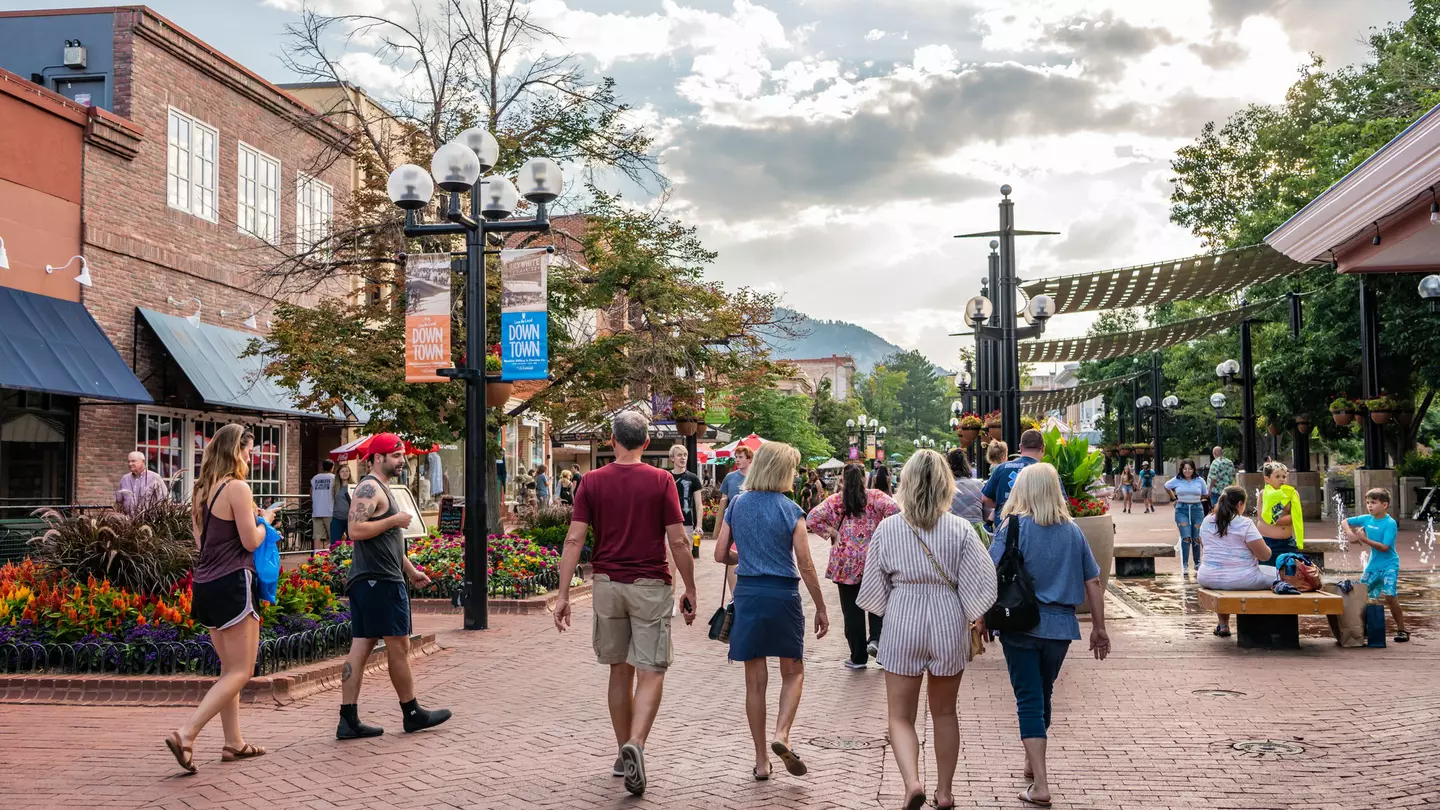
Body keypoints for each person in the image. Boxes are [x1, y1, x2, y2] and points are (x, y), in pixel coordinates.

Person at [553, 411, 698, 797]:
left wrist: (563, 594)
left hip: (607, 585)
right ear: (647, 444)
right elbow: (679, 541)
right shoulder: (662, 480)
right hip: (650, 584)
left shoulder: (591, 483)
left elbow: (573, 540)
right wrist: (691, 588)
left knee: (620, 671)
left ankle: (623, 751)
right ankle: (637, 742)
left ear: (612, 440)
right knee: (652, 669)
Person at [857, 450, 997, 810]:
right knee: (945, 713)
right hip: (949, 620)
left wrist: (898, 609)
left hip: (904, 616)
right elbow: (982, 583)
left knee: (900, 715)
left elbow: (873, 588)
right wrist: (971, 614)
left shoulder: (888, 528)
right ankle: (945, 792)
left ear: (906, 484)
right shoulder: (960, 529)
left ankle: (912, 783)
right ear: (945, 485)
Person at [984, 463, 1109, 809]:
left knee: (1028, 699)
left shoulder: (1013, 527)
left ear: (1022, 490)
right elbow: (1093, 583)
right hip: (1060, 630)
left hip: (1020, 624)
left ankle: (1040, 784)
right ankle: (1031, 761)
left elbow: (987, 575)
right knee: (1043, 692)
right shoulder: (1072, 531)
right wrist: (1099, 628)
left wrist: (979, 619)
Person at [164, 424, 281, 774]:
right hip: (235, 582)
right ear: (235, 450)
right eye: (248, 449)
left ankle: (234, 742)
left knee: (228, 669)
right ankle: (187, 734)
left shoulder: (200, 492)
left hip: (206, 584)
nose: (251, 456)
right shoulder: (237, 488)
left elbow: (202, 545)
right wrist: (266, 521)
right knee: (242, 670)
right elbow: (249, 541)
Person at [714, 442, 829, 782]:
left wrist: (745, 559)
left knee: (755, 683)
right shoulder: (791, 509)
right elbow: (806, 565)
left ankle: (762, 761)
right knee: (792, 672)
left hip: (748, 594)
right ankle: (782, 734)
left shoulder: (737, 503)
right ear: (782, 471)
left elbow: (720, 554)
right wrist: (821, 607)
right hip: (783, 595)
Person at [336, 434, 451, 740]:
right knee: (399, 645)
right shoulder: (370, 487)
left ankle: (348, 718)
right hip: (379, 581)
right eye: (395, 455)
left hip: (375, 579)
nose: (401, 460)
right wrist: (394, 521)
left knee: (362, 645)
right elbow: (355, 530)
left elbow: (389, 542)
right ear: (377, 458)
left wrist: (411, 570)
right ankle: (411, 713)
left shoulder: (380, 487)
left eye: (401, 455)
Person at [805, 463, 899, 669]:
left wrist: (831, 532)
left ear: (843, 479)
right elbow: (896, 511)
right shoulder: (875, 497)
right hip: (874, 557)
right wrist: (883, 531)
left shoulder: (836, 500)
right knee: (878, 603)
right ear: (864, 478)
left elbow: (811, 518)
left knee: (852, 609)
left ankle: (857, 657)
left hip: (845, 559)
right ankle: (878, 642)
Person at [1196, 486, 1275, 637]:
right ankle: (1265, 626)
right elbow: (1265, 556)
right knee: (1280, 577)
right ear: (1240, 504)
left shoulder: (1207, 521)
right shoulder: (1244, 523)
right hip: (1242, 579)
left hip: (1208, 577)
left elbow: (1206, 547)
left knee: (1225, 579)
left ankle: (1223, 625)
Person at [1344, 488, 1407, 642]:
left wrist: (1362, 538)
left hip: (1389, 564)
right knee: (1359, 595)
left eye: (1373, 502)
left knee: (1390, 595)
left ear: (1384, 505)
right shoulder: (1366, 519)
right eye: (1367, 503)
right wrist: (1350, 533)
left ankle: (1402, 630)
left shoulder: (1390, 523)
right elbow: (1345, 521)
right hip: (1373, 566)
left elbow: (1385, 547)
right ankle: (1361, 629)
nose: (1369, 506)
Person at [982, 429, 1044, 518]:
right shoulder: (1048, 472)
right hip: (1035, 525)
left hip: (1004, 524)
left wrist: (1003, 507)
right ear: (1043, 448)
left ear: (1020, 447)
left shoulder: (1001, 468)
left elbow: (985, 498)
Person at [1164, 460, 1208, 578]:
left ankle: (1197, 563)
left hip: (1196, 509)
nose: (1187, 471)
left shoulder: (1199, 480)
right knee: (1186, 537)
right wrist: (1174, 498)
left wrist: (1195, 498)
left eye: (1190, 468)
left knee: (1196, 537)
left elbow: (1205, 493)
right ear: (1181, 470)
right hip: (1181, 509)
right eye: (1185, 469)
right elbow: (1167, 486)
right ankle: (1184, 565)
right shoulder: (1177, 480)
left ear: (1193, 469)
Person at [1257, 461, 1303, 562]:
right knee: (1268, 572)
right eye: (1277, 476)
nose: (1281, 479)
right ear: (1267, 479)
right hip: (1268, 541)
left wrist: (1276, 520)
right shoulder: (1263, 494)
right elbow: (1263, 518)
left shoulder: (1292, 494)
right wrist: (1280, 519)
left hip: (1288, 541)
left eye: (1284, 476)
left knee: (1288, 572)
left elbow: (1296, 516)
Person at [669, 445, 703, 560]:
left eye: (685, 455)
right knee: (669, 557)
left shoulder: (693, 478)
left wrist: (699, 525)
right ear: (672, 458)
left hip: (687, 523)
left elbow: (699, 504)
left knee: (686, 557)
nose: (683, 458)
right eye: (679, 455)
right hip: (668, 523)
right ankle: (672, 579)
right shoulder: (666, 477)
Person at [946, 448, 985, 529]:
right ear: (966, 464)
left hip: (953, 528)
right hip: (976, 529)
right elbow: (987, 513)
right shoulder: (979, 485)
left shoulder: (945, 486)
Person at [310, 460, 336, 549]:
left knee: (317, 536)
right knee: (332, 535)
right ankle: (333, 556)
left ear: (322, 467)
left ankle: (316, 557)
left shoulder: (315, 478)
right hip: (330, 510)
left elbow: (311, 493)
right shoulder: (334, 478)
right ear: (332, 468)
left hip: (317, 510)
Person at [330, 463, 354, 544]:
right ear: (338, 473)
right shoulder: (334, 486)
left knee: (351, 543)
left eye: (347, 471)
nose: (345, 473)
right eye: (342, 471)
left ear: (350, 473)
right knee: (334, 543)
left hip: (350, 519)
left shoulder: (353, 486)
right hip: (337, 518)